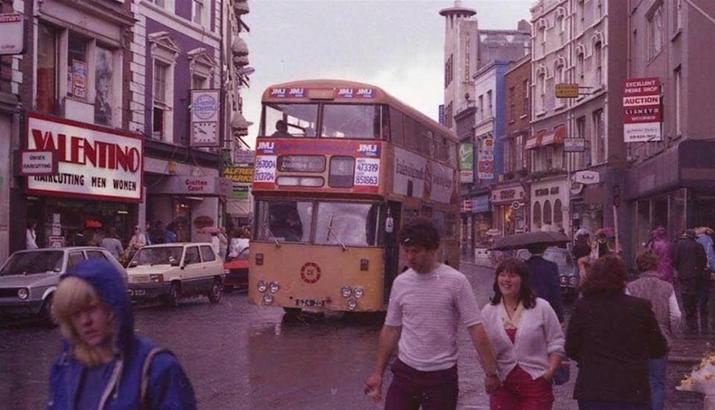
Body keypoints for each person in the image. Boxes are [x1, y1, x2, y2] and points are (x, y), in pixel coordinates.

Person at [364, 218, 500, 409]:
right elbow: (391, 329)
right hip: (405, 372)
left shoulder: (456, 281)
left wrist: (490, 372)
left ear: (433, 249)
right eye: (407, 251)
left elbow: (475, 327)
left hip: (441, 377)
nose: (410, 258)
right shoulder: (401, 282)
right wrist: (378, 373)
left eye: (416, 251)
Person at [48, 258, 197, 409]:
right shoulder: (65, 367)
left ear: (112, 306)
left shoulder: (156, 368)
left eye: (92, 309)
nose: (85, 321)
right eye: (76, 314)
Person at [566, 256, 667, 410]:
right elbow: (658, 347)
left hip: (593, 388)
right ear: (622, 278)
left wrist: (589, 358)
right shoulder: (640, 307)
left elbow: (571, 347)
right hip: (631, 389)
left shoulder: (583, 306)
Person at [481, 258, 565, 409]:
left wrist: (550, 370)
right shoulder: (489, 311)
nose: (506, 280)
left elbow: (556, 342)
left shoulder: (541, 307)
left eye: (512, 276)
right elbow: (483, 348)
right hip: (502, 385)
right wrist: (489, 374)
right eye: (502, 275)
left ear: (523, 280)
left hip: (536, 384)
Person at [626, 251, 681, 410]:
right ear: (656, 266)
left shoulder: (631, 287)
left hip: (636, 340)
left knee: (637, 380)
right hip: (661, 338)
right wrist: (672, 334)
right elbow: (676, 315)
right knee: (657, 382)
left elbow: (626, 315)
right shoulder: (667, 287)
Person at [672, 229, 708, 333]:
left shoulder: (680, 245)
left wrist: (679, 269)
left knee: (684, 294)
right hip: (695, 275)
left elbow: (675, 259)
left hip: (683, 275)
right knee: (695, 294)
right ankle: (693, 315)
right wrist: (698, 270)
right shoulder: (699, 246)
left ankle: (688, 315)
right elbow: (703, 261)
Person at [524, 244, 564, 323]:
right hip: (546, 308)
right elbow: (555, 293)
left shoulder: (523, 266)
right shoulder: (551, 266)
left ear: (528, 250)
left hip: (527, 308)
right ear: (544, 249)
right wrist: (560, 317)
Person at [695, 226, 715, 332]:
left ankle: (698, 311)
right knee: (706, 293)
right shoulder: (708, 241)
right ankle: (705, 315)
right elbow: (710, 256)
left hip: (696, 271)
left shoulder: (695, 239)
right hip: (706, 270)